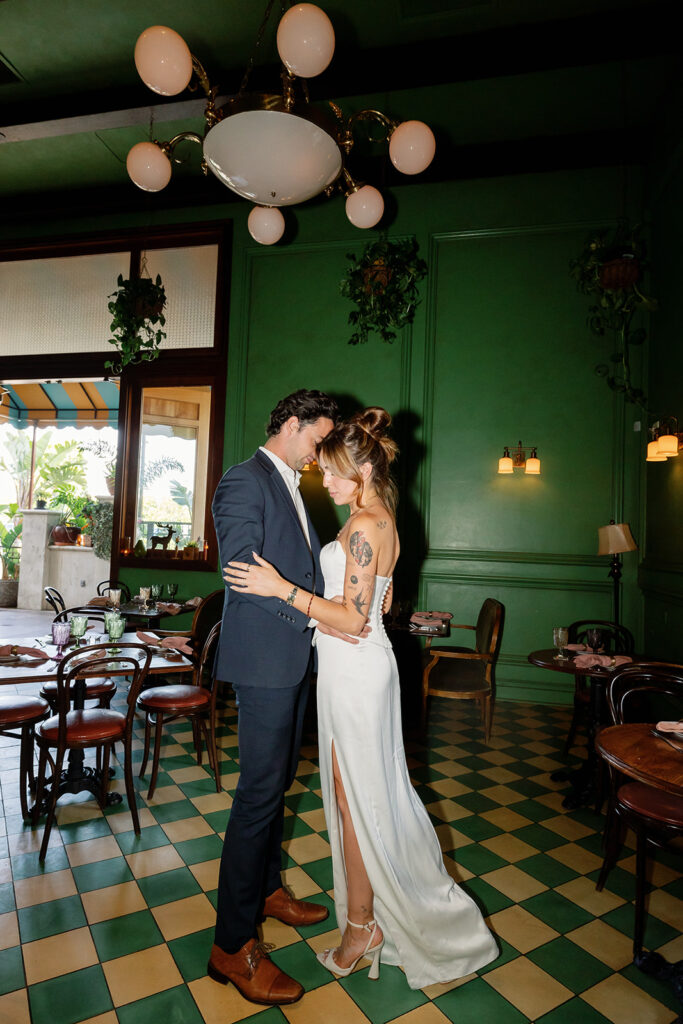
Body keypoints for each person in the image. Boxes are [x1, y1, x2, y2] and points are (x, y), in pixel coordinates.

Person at [225, 407, 499, 991]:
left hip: (355, 674)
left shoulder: (364, 526)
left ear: (364, 471)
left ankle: (362, 928)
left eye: (333, 472)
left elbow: (351, 620)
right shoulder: (371, 517)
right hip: (343, 670)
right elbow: (363, 603)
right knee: (356, 804)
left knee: (363, 806)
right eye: (322, 468)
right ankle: (363, 923)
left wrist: (281, 588)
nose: (323, 480)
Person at [209, 388, 344, 1007]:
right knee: (257, 798)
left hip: (291, 661)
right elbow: (243, 573)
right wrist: (312, 616)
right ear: (291, 424)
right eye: (318, 439)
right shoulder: (244, 480)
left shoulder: (292, 483)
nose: (320, 454)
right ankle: (232, 945)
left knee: (279, 780)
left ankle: (267, 891)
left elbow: (299, 570)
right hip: (265, 662)